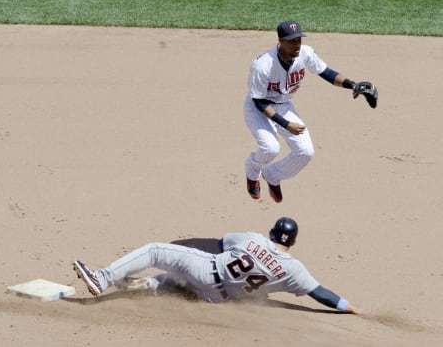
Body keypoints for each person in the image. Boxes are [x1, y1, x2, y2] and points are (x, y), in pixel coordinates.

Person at [73, 216, 362, 314]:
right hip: (216, 298)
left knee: (156, 250)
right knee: (180, 282)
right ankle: (149, 284)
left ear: (272, 232)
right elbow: (320, 293)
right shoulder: (294, 270)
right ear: (294, 242)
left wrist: (180, 246)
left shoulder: (254, 239)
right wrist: (350, 307)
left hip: (207, 271)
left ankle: (102, 278)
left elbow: (215, 244)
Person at [244, 20, 377, 203]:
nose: (297, 44)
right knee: (270, 148)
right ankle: (252, 172)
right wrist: (286, 124)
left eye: (298, 39)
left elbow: (327, 73)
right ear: (280, 40)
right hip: (258, 108)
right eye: (292, 41)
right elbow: (258, 101)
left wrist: (352, 85)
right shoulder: (263, 65)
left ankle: (272, 175)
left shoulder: (305, 53)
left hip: (284, 105)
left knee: (305, 152)